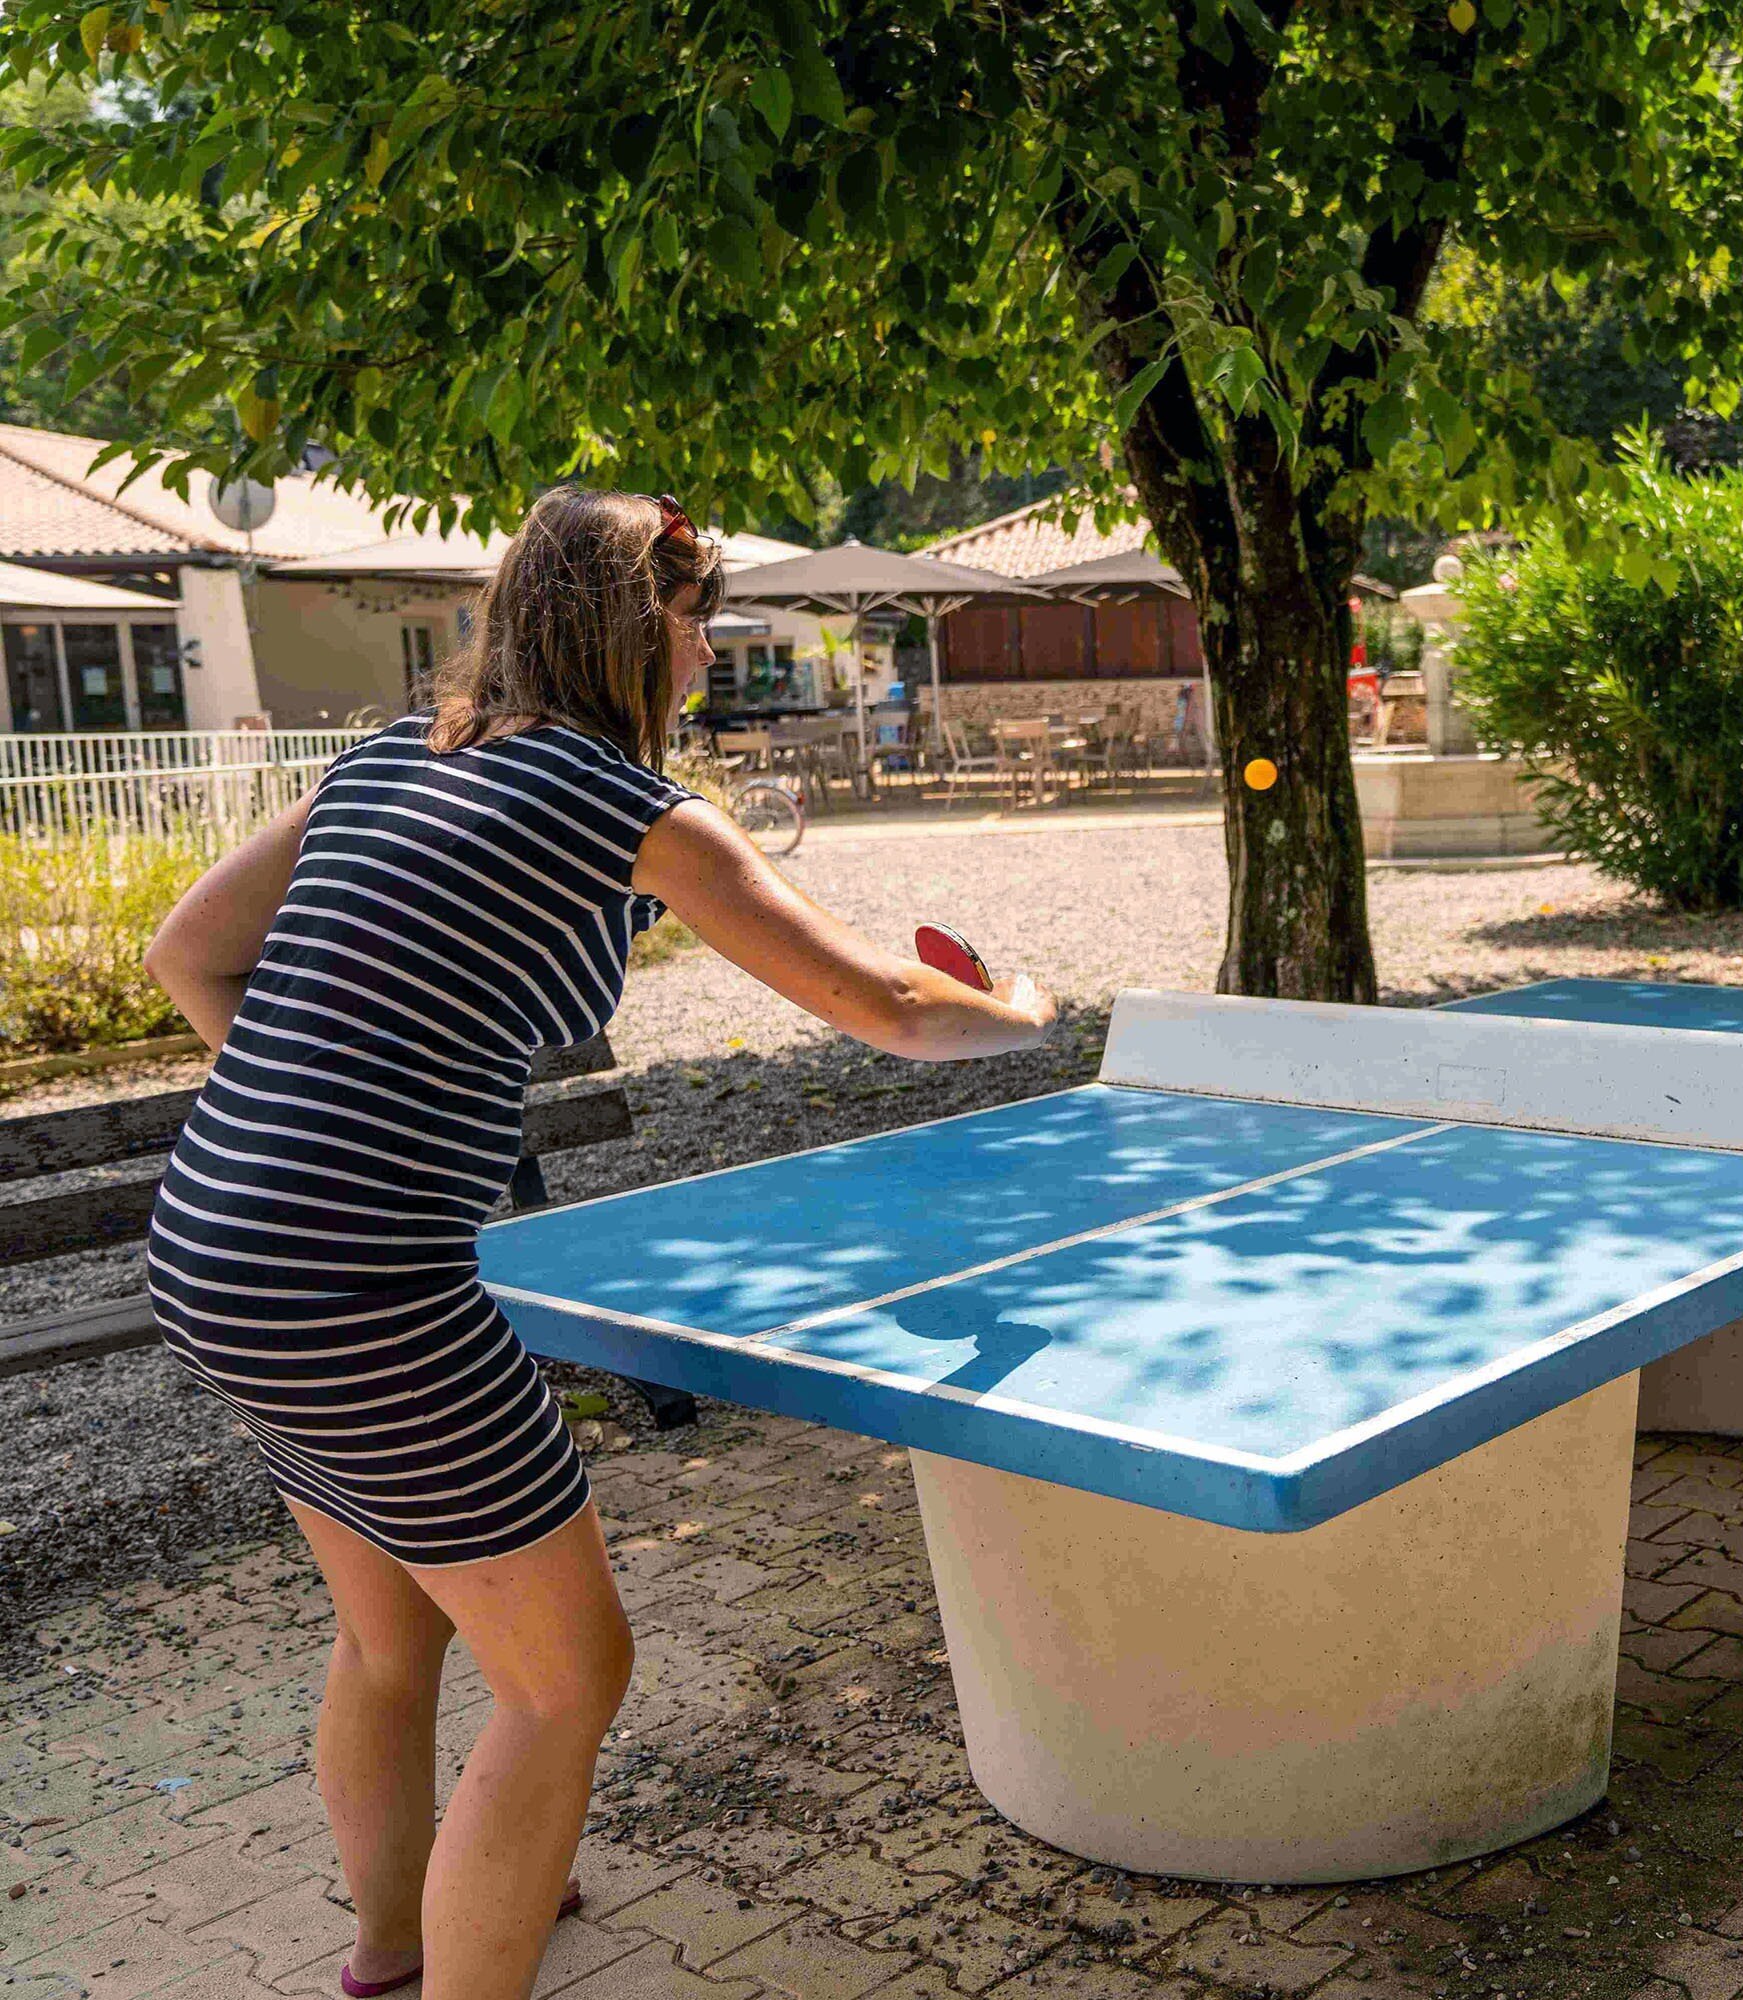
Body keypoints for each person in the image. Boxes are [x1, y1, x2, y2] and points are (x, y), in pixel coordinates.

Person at [138, 489, 1056, 2000]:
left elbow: (188, 953)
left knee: (389, 1643)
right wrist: (1021, 1008)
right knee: (568, 1684)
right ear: (647, 629)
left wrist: (316, 1117)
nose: (708, 653)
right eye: (700, 623)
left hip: (214, 1250)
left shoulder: (392, 756)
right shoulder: (626, 804)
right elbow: (884, 1009)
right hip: (365, 1289)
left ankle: (391, 1952)